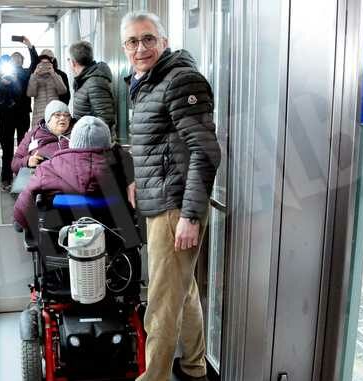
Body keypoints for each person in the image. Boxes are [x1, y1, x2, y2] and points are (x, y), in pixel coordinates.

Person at [120, 11, 221, 381]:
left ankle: (155, 377)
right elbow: (161, 142)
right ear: (124, 48)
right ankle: (194, 366)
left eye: (148, 39)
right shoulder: (149, 82)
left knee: (161, 303)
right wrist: (139, 181)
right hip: (162, 197)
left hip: (175, 206)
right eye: (132, 42)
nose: (140, 48)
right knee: (183, 288)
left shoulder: (180, 80)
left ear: (164, 42)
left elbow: (206, 151)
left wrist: (191, 216)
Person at [13, 116, 134, 232]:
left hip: (61, 233)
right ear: (107, 143)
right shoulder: (123, 164)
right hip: (114, 229)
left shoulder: (49, 167)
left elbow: (27, 195)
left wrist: (20, 221)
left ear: (73, 141)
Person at [0, 37, 39, 191]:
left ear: (22, 61)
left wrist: (29, 45)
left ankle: (22, 180)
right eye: (13, 59)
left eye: (18, 58)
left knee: (24, 146)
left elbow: (35, 63)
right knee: (7, 150)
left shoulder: (26, 73)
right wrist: (2, 83)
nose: (16, 60)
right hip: (5, 117)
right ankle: (6, 179)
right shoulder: (0, 76)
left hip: (21, 115)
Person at [69, 41, 116, 136]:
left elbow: (105, 119)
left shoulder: (95, 82)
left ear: (73, 63)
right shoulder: (85, 80)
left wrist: (86, 136)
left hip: (94, 143)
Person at [11, 100, 71, 174]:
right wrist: (28, 161)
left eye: (66, 115)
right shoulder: (33, 134)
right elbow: (15, 163)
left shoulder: (77, 133)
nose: (62, 118)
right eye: (57, 115)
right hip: (42, 179)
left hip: (69, 178)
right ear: (48, 119)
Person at [27, 56, 69, 129]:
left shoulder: (56, 76)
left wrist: (53, 74)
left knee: (54, 136)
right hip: (39, 114)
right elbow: (30, 94)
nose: (44, 66)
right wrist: (34, 75)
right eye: (42, 63)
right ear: (38, 65)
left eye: (47, 63)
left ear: (51, 64)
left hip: (54, 114)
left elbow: (63, 91)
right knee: (39, 137)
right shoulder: (34, 77)